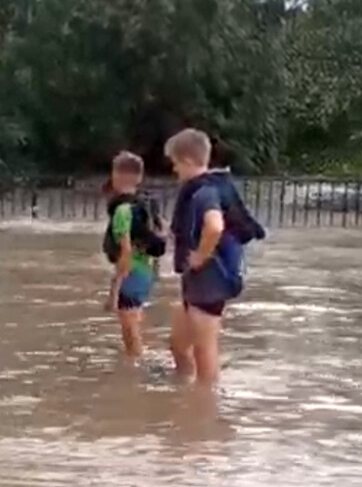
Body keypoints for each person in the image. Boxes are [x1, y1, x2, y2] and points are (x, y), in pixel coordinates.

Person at [164, 128, 266, 387]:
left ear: (187, 161)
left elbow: (215, 227)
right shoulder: (203, 190)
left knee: (204, 349)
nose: (174, 170)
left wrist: (200, 255)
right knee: (178, 345)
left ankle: (205, 409)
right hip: (197, 283)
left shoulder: (204, 193)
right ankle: (182, 391)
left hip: (211, 281)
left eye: (175, 163)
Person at [100, 151, 165, 358]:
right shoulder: (145, 207)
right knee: (135, 318)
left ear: (117, 176)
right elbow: (161, 236)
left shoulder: (122, 211)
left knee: (129, 328)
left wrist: (114, 291)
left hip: (131, 273)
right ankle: (138, 359)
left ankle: (134, 368)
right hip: (146, 271)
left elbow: (125, 252)